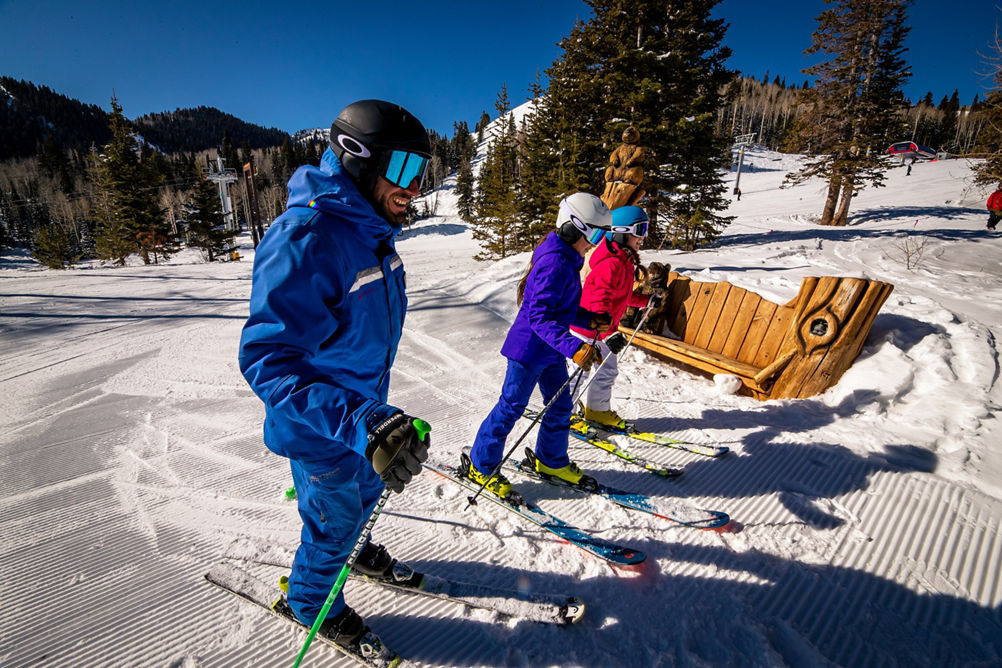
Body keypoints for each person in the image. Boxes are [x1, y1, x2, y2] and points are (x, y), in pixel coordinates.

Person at [238, 99, 433, 656]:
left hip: (362, 418)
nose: (413, 187)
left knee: (369, 493)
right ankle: (309, 602)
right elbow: (268, 359)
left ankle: (358, 549)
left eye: (419, 172)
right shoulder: (308, 237)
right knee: (333, 521)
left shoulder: (369, 230)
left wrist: (372, 420)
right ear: (358, 160)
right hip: (322, 428)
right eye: (401, 170)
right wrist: (362, 420)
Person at [464, 193, 613, 497]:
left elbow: (562, 307)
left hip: (551, 350)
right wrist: (574, 347)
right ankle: (481, 466)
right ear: (572, 227)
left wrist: (588, 318)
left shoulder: (568, 258)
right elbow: (540, 317)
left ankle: (550, 461)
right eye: (594, 233)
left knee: (560, 406)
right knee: (511, 408)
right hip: (528, 351)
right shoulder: (555, 263)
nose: (596, 242)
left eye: (603, 234)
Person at [573, 205, 660, 429]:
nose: (643, 237)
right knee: (577, 376)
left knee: (607, 371)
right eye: (639, 230)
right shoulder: (611, 264)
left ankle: (597, 411)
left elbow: (622, 295)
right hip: (587, 331)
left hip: (603, 331)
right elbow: (599, 301)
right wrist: (603, 333)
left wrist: (645, 301)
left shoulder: (623, 261)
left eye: (645, 229)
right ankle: (563, 415)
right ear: (620, 232)